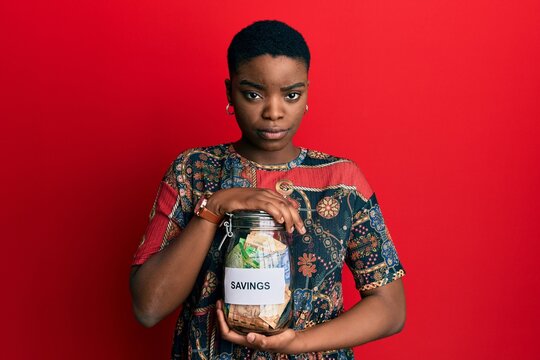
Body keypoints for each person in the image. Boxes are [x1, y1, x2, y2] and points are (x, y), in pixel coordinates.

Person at [130, 20, 406, 359]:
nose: (274, 112)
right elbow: (148, 306)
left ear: (306, 92)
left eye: (291, 95)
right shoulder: (194, 171)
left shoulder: (341, 181)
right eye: (253, 94)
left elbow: (390, 309)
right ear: (230, 91)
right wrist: (214, 207)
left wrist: (296, 342)